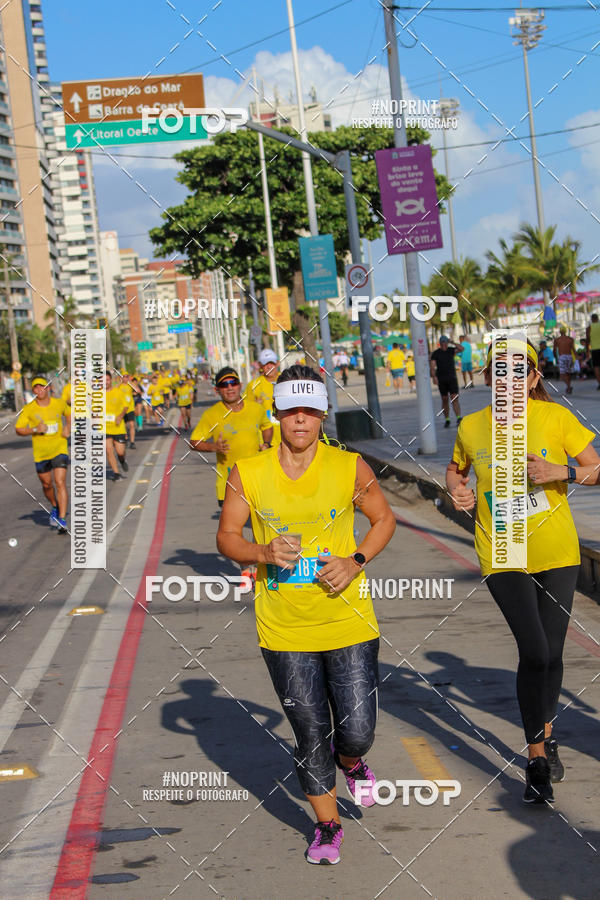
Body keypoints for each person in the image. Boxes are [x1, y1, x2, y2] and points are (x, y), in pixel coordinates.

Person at [217, 364, 396, 864]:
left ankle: (352, 759)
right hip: (283, 627)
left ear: (322, 415)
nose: (300, 421)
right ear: (276, 414)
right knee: (310, 731)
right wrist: (263, 553)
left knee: (356, 728)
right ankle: (327, 826)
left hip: (348, 619)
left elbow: (384, 519)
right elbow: (227, 537)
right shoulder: (247, 473)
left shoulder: (349, 466)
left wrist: (355, 561)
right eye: (291, 411)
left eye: (309, 412)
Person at [446, 339, 600, 804]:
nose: (509, 379)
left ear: (533, 378)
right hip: (502, 550)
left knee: (553, 654)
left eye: (520, 371)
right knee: (533, 651)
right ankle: (536, 760)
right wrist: (457, 491)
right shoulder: (472, 427)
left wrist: (562, 472)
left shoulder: (556, 419)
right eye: (500, 371)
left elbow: (596, 468)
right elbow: (455, 472)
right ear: (490, 378)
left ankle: (546, 731)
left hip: (557, 551)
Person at [190, 366, 273, 508]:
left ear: (240, 385)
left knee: (262, 526)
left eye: (233, 383)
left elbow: (267, 426)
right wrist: (213, 447)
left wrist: (266, 443)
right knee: (232, 529)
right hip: (228, 484)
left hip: (257, 480)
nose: (230, 388)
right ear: (217, 390)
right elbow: (194, 442)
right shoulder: (212, 414)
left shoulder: (255, 409)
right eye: (224, 385)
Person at [15, 376, 71, 532]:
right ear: (33, 390)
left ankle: (61, 519)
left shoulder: (58, 403)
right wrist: (34, 430)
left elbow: (69, 413)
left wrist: (68, 427)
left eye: (43, 387)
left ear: (49, 388)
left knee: (60, 482)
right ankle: (54, 505)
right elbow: (19, 429)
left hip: (59, 448)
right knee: (47, 485)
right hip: (41, 453)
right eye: (36, 388)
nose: (40, 390)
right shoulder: (29, 409)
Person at [246, 348, 281, 447]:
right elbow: (246, 412)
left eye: (272, 363)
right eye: (266, 364)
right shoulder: (253, 385)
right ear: (260, 366)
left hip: (284, 435)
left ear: (277, 364)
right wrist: (255, 407)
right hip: (264, 439)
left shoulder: (286, 380)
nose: (269, 366)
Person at [430, 335, 461, 427]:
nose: (444, 344)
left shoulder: (451, 350)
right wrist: (434, 377)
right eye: (442, 342)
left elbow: (461, 348)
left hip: (452, 378)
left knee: (454, 397)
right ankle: (447, 419)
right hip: (441, 379)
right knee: (444, 399)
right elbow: (432, 366)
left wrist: (452, 342)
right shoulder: (436, 353)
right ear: (440, 343)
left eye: (445, 342)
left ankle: (459, 417)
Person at [104, 371, 129, 480]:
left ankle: (122, 460)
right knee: (108, 450)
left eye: (107, 380)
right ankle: (116, 473)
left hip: (118, 426)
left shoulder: (118, 392)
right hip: (104, 427)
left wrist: (120, 416)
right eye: (103, 380)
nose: (105, 382)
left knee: (120, 452)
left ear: (111, 380)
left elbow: (125, 407)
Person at [553, 325, 575, 395]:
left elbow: (554, 350)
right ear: (565, 331)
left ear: (560, 332)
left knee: (562, 375)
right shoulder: (570, 339)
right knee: (568, 373)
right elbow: (573, 349)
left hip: (562, 357)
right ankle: (569, 387)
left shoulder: (557, 340)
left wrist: (556, 357)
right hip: (569, 356)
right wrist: (576, 357)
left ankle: (568, 386)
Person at [119, 372, 136, 449]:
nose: (125, 378)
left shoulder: (130, 385)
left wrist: (130, 382)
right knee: (125, 426)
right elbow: (113, 390)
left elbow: (138, 390)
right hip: (122, 409)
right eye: (124, 377)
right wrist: (120, 382)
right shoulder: (119, 386)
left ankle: (132, 442)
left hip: (130, 408)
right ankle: (125, 439)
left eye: (127, 377)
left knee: (132, 425)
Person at [585, 312, 600, 389]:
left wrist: (587, 351)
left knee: (596, 366)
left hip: (594, 349)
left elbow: (587, 340)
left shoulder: (589, 328)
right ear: (597, 318)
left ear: (592, 319)